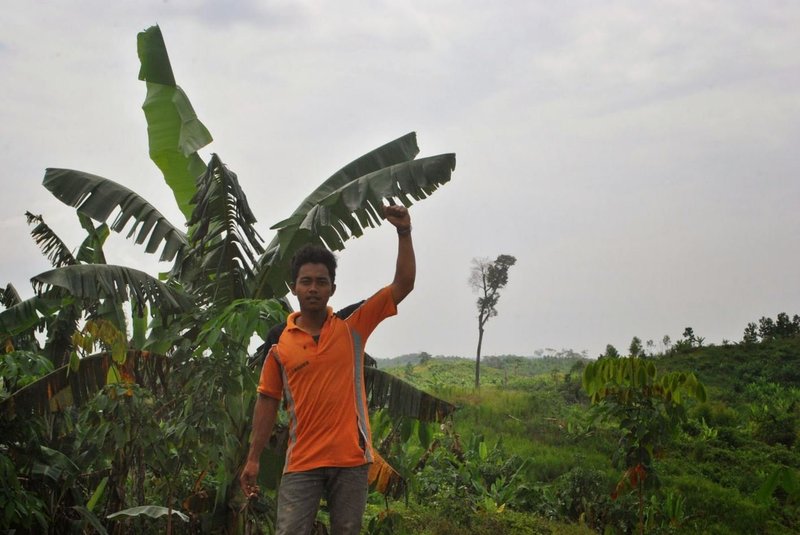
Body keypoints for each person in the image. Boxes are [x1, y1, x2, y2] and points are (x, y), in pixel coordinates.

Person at [240, 204, 414, 535]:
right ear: (294, 287)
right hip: (302, 461)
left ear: (332, 288)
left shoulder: (352, 326)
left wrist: (404, 232)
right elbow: (267, 401)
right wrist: (253, 458)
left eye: (321, 282)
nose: (313, 288)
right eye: (306, 281)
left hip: (351, 460)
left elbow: (403, 284)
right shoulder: (279, 341)